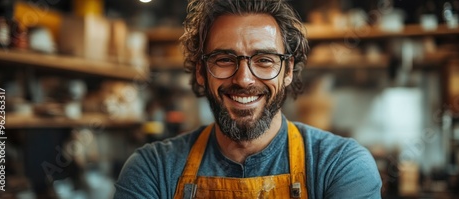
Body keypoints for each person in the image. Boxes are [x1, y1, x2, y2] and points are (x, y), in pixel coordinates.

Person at [114, 0, 382, 198]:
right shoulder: (153, 169)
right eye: (224, 60)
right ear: (200, 72)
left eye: (264, 60)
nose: (244, 79)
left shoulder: (340, 165)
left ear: (288, 71)